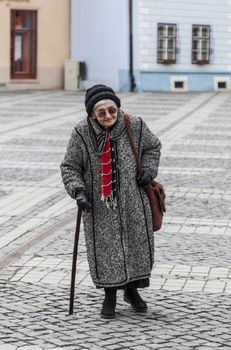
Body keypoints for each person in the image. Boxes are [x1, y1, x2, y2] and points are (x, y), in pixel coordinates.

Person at [60, 84, 162, 319]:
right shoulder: (82, 132)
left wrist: (148, 171)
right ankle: (109, 296)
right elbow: (70, 166)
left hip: (134, 201)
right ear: (92, 115)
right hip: (99, 206)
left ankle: (132, 291)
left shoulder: (133, 125)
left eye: (112, 110)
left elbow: (153, 147)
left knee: (135, 247)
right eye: (101, 113)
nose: (108, 116)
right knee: (106, 251)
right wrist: (78, 191)